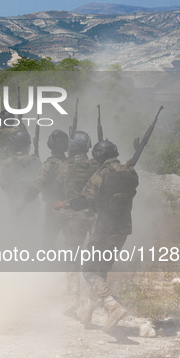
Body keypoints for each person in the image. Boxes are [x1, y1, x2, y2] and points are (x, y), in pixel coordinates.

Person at [56, 139, 139, 333]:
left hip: (103, 228)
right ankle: (88, 310)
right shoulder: (131, 172)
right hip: (123, 229)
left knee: (90, 270)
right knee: (102, 271)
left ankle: (112, 305)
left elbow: (83, 201)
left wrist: (63, 204)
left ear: (99, 156)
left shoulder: (100, 174)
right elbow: (130, 188)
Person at [55, 131, 99, 317]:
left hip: (73, 216)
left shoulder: (64, 166)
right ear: (88, 147)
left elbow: (57, 187)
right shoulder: (96, 165)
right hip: (95, 216)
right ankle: (93, 300)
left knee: (72, 257)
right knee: (96, 259)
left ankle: (73, 298)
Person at [18, 129, 69, 247]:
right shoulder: (72, 164)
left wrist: (22, 204)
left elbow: (36, 187)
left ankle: (50, 263)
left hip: (54, 206)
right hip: (71, 206)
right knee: (71, 243)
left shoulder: (48, 165)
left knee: (49, 239)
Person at [0, 129, 41, 213]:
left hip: (15, 198)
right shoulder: (36, 160)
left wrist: (12, 193)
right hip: (32, 200)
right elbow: (41, 179)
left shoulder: (8, 162)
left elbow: (3, 183)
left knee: (16, 223)